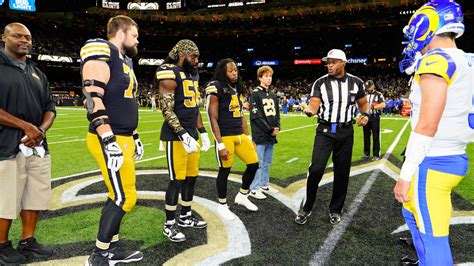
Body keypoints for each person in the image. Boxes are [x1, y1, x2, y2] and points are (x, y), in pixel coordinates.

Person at [394, 1, 473, 265]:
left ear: (427, 24)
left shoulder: (437, 60)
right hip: (452, 155)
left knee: (434, 239)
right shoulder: (466, 59)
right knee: (410, 212)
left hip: (434, 161)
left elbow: (428, 124)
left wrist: (405, 174)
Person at [80, 15, 144, 265]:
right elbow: (93, 97)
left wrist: (134, 135)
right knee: (125, 197)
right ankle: (98, 255)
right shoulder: (102, 49)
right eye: (135, 35)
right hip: (109, 136)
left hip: (123, 136)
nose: (137, 40)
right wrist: (108, 138)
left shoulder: (125, 59)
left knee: (117, 193)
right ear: (121, 31)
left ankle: (112, 247)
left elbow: (123, 101)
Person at [0, 23, 55, 265]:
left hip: (37, 146)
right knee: (6, 198)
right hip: (7, 144)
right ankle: (1, 246)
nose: (24, 40)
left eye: (28, 37)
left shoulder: (36, 71)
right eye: (18, 36)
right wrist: (26, 126)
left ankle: (28, 241)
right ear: (4, 38)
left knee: (34, 195)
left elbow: (50, 108)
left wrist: (40, 130)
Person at [295, 49, 370, 225]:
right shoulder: (320, 83)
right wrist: (309, 111)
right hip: (325, 131)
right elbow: (314, 105)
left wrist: (365, 115)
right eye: (327, 62)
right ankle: (306, 207)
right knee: (316, 169)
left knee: (342, 172)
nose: (329, 65)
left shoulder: (356, 82)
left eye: (333, 62)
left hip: (345, 131)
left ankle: (335, 209)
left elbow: (363, 103)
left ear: (343, 63)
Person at [156, 39, 211, 242]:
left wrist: (202, 131)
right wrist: (181, 133)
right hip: (175, 135)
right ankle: (169, 224)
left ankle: (185, 216)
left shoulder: (192, 74)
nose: (197, 60)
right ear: (182, 55)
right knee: (176, 180)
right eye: (193, 56)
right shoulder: (168, 71)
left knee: (191, 178)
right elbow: (166, 108)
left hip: (191, 134)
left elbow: (194, 107)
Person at [206, 58, 260, 221]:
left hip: (240, 134)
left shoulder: (236, 88)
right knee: (225, 170)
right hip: (226, 136)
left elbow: (242, 114)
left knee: (253, 164)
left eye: (235, 70)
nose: (234, 73)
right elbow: (212, 117)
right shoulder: (215, 86)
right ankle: (222, 205)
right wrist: (220, 143)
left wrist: (248, 136)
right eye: (230, 70)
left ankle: (242, 195)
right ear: (223, 71)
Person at [248, 66, 280, 199]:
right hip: (261, 134)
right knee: (259, 162)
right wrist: (269, 129)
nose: (269, 78)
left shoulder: (273, 95)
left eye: (270, 76)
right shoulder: (255, 94)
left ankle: (264, 184)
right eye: (266, 76)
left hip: (271, 134)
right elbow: (256, 116)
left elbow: (277, 114)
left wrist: (277, 127)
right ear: (260, 78)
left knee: (267, 162)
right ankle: (254, 188)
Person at [362, 80, 385, 161]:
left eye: (369, 86)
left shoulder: (379, 94)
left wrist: (373, 107)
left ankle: (376, 154)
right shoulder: (364, 94)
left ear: (373, 85)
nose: (368, 88)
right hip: (365, 116)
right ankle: (366, 153)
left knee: (375, 136)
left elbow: (383, 105)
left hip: (375, 117)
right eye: (367, 87)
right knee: (366, 136)